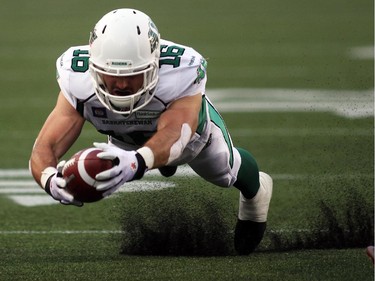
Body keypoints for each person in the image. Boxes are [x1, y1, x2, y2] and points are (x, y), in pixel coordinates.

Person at [29, 8, 273, 255]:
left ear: (155, 64)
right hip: (124, 141)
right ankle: (157, 161)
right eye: (112, 75)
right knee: (110, 166)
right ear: (94, 67)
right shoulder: (76, 77)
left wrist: (139, 161)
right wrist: (49, 179)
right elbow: (44, 147)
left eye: (134, 75)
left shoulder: (181, 70)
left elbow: (175, 132)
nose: (122, 85)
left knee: (223, 171)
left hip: (188, 140)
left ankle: (257, 192)